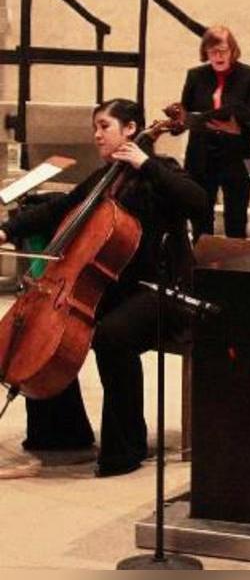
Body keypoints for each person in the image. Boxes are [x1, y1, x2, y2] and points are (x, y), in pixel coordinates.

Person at [0, 99, 206, 476]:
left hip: (161, 288)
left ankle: (126, 446)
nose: (96, 135)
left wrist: (147, 163)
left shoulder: (161, 172)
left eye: (104, 126)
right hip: (117, 285)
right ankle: (63, 436)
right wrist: (7, 229)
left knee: (112, 336)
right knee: (50, 331)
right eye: (95, 127)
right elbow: (60, 207)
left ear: (131, 130)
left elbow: (198, 203)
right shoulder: (105, 177)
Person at [180, 25, 250, 240]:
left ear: (233, 50)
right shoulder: (195, 75)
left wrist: (238, 129)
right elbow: (186, 112)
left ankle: (236, 270)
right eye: (212, 51)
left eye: (223, 50)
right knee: (201, 219)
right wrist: (179, 120)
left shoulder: (249, 75)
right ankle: (202, 270)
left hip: (235, 157)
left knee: (236, 221)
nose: (218, 56)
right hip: (202, 156)